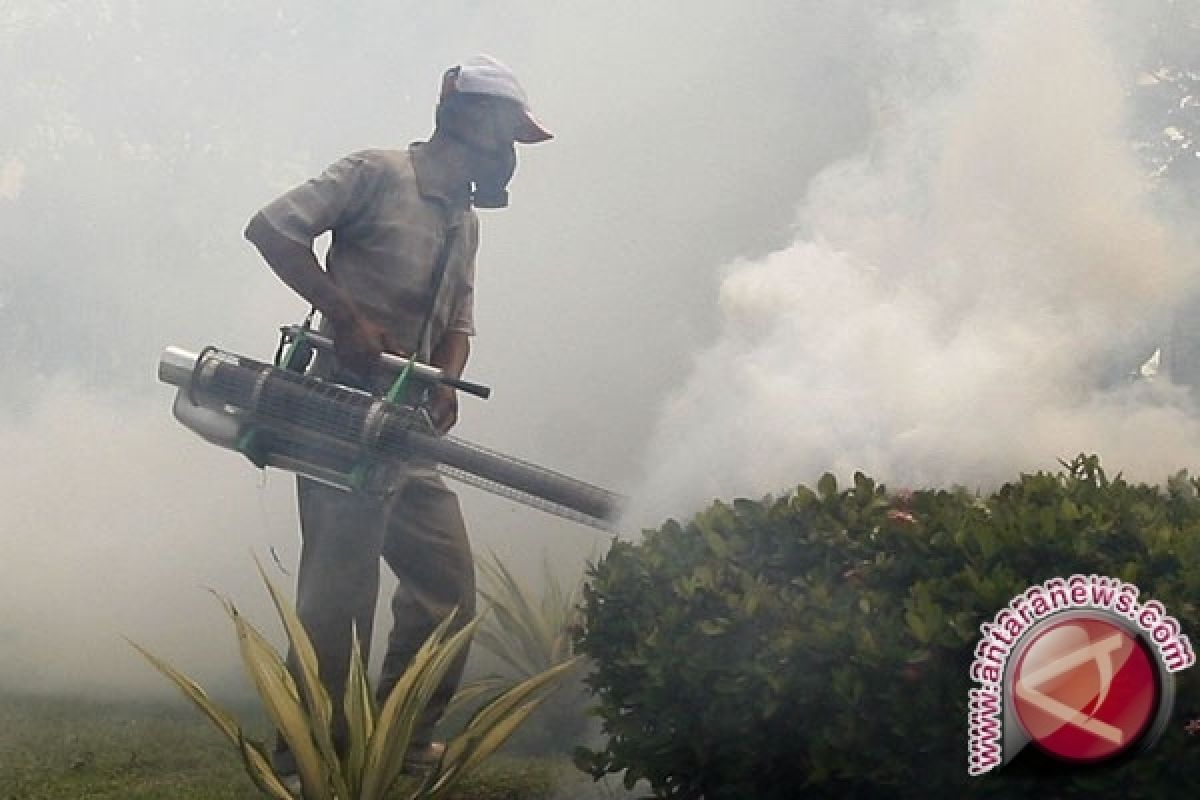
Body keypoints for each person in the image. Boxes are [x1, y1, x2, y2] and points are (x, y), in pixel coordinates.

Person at [243, 55, 552, 786]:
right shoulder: (376, 173)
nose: (511, 153)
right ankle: (308, 755)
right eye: (507, 132)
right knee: (339, 592)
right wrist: (344, 316)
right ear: (468, 119)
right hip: (337, 408)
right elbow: (272, 229)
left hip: (408, 417)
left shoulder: (465, 221)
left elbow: (461, 316)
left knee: (448, 589)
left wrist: (447, 377)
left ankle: (404, 738)